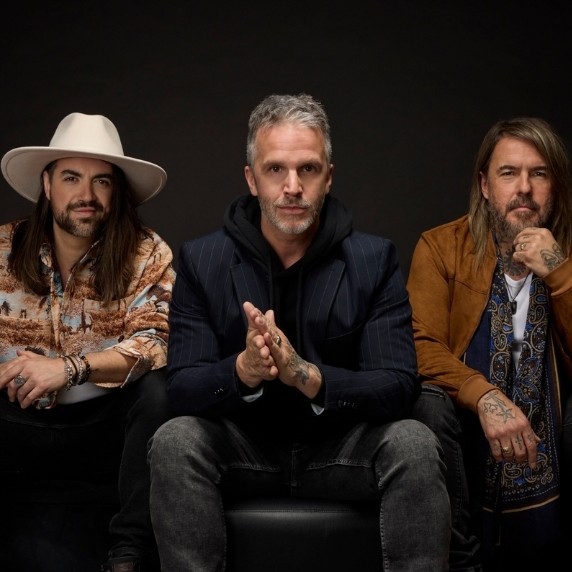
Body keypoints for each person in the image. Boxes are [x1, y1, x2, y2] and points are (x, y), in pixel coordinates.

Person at [147, 93, 451, 571]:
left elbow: (397, 384)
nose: (292, 187)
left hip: (340, 451)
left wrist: (307, 376)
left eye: (307, 169)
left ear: (328, 177)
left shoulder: (373, 259)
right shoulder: (203, 260)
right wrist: (244, 370)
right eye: (275, 170)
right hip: (243, 450)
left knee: (413, 441)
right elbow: (182, 386)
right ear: (251, 179)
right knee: (174, 440)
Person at [0, 112, 176, 572]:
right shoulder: (2, 249)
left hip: (106, 430)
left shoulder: (147, 253)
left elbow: (156, 343)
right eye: (71, 178)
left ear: (115, 192)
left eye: (101, 181)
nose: (87, 195)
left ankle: (128, 554)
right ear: (46, 184)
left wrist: (68, 368)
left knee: (159, 393)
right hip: (19, 424)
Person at [407, 117, 572, 570]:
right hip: (466, 437)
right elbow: (419, 345)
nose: (524, 188)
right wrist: (485, 397)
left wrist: (559, 272)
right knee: (427, 405)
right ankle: (460, 559)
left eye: (539, 174)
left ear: (554, 186)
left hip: (555, 443)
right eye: (509, 173)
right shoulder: (442, 248)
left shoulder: (567, 256)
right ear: (484, 185)